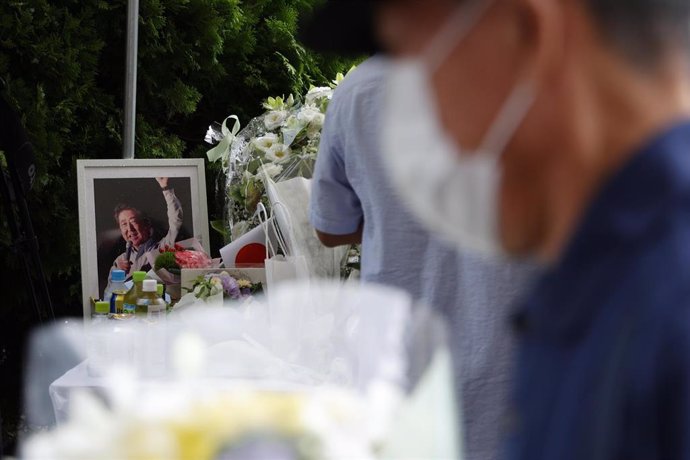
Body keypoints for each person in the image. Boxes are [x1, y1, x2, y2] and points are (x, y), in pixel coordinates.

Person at [311, 0, 690, 458]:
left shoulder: (662, 308)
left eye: (419, 69)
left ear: (530, 32)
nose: (430, 133)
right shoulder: (594, 282)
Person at [307, 53, 536, 460]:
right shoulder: (533, 77)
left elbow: (331, 227)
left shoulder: (359, 90)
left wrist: (394, 222)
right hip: (507, 364)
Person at [112, 177, 183, 277]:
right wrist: (118, 275)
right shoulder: (119, 262)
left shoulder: (161, 249)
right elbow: (109, 292)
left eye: (134, 221)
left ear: (146, 224)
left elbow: (176, 221)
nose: (130, 229)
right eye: (124, 224)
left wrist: (166, 188)